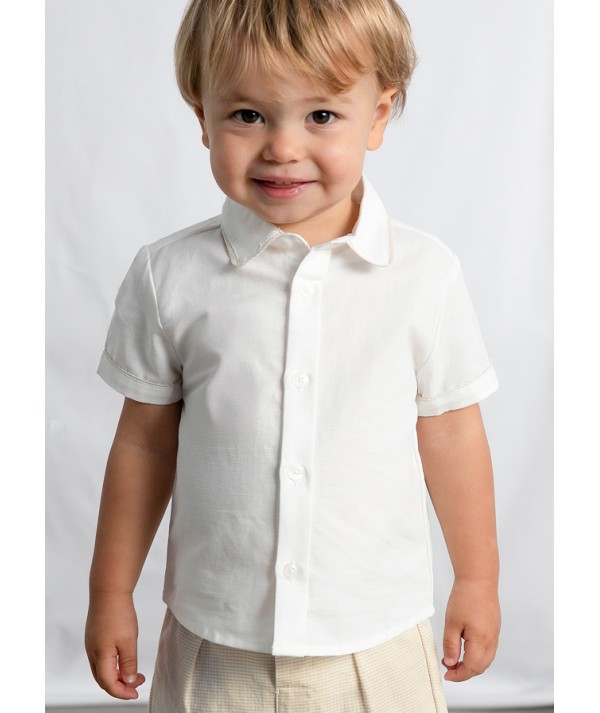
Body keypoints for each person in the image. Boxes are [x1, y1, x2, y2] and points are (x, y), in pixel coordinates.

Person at [85, 0, 501, 710]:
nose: (282, 147)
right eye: (248, 115)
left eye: (321, 115)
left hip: (377, 634)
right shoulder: (168, 276)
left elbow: (452, 432)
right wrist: (110, 591)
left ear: (377, 116)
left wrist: (478, 579)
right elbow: (145, 443)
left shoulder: (425, 275)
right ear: (203, 117)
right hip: (218, 637)